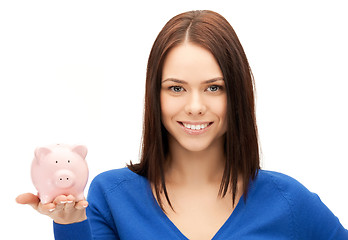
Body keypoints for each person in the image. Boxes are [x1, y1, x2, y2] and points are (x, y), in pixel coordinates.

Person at [16, 10, 348, 240]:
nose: (194, 106)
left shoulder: (288, 200)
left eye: (214, 88)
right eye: (176, 88)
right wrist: (70, 224)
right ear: (154, 96)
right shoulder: (112, 196)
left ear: (238, 96)